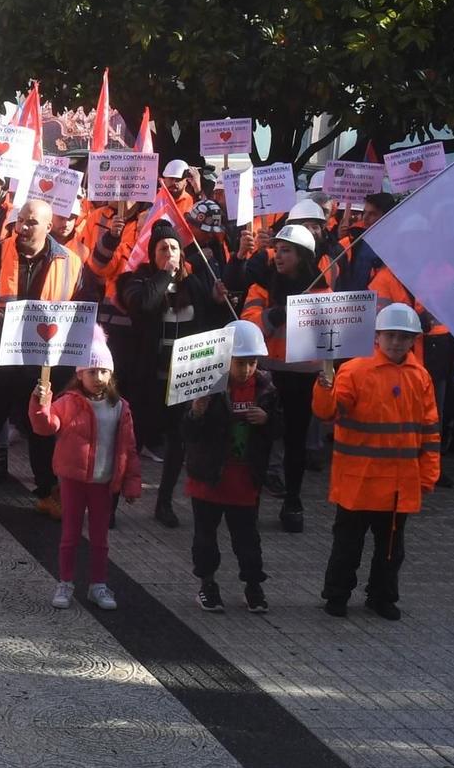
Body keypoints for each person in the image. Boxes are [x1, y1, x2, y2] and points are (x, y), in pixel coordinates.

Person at [0, 199, 83, 520]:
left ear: (48, 227)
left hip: (42, 367)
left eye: (31, 223)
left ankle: (47, 492)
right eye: (21, 220)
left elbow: (82, 307)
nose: (23, 227)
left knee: (42, 432)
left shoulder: (72, 263)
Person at [313, 302, 440, 620]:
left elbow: (430, 429)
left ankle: (381, 596)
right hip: (360, 480)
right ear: (377, 336)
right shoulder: (355, 370)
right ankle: (337, 594)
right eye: (391, 336)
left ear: (413, 340)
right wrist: (323, 387)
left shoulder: (420, 377)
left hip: (397, 483)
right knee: (347, 546)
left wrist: (428, 475)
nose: (397, 342)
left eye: (403, 337)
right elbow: (329, 412)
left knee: (391, 551)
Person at [115, 224, 228, 526]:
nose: (170, 253)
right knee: (131, 443)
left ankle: (164, 503)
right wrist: (164, 274)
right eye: (163, 248)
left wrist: (219, 303)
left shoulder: (194, 285)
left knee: (177, 443)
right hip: (146, 380)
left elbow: (214, 327)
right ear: (153, 254)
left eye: (174, 248)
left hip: (182, 383)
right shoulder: (135, 280)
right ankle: (111, 502)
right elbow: (142, 305)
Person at [30, 329, 142, 610]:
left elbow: (129, 448)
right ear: (80, 374)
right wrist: (40, 403)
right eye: (92, 371)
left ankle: (98, 584)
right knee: (69, 535)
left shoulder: (120, 407)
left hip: (103, 482)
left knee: (100, 537)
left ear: (111, 374)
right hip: (73, 479)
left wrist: (131, 482)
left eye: (104, 371)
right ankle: (66, 582)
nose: (98, 377)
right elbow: (46, 425)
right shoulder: (68, 402)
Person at [183, 320, 281, 613]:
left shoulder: (266, 388)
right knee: (205, 538)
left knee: (247, 540)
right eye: (240, 363)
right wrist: (195, 414)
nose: (247, 370)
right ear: (225, 359)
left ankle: (253, 586)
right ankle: (207, 584)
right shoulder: (206, 384)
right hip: (208, 479)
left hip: (244, 481)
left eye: (252, 363)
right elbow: (186, 433)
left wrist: (267, 420)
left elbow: (280, 429)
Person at [241, 222, 323, 532]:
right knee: (261, 438)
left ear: (303, 256)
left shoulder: (321, 289)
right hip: (268, 374)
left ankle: (293, 500)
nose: (278, 255)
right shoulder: (262, 286)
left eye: (286, 251)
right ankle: (251, 500)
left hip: (303, 378)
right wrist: (272, 315)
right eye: (277, 249)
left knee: (295, 441)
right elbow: (248, 323)